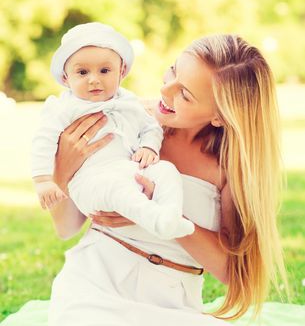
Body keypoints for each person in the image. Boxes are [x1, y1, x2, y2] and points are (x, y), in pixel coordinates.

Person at [46, 33, 287, 326]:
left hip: (174, 305)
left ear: (220, 116)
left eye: (185, 94)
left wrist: (161, 216)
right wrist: (62, 172)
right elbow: (65, 227)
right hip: (92, 286)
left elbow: (231, 270)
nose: (164, 90)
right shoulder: (126, 121)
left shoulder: (229, 167)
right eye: (173, 70)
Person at [31, 22, 194, 240]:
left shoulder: (129, 102)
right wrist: (43, 180)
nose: (94, 79)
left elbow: (150, 126)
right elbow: (43, 140)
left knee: (166, 170)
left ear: (122, 72)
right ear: (65, 78)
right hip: (91, 181)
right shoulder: (63, 108)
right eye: (82, 72)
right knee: (115, 189)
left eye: (105, 70)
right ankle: (157, 219)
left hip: (130, 169)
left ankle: (170, 215)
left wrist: (148, 146)